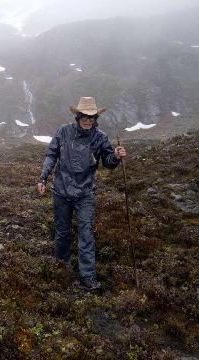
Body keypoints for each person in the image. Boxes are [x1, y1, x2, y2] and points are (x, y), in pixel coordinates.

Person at [37, 97, 126, 291]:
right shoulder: (63, 131)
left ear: (96, 118)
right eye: (84, 116)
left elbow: (108, 162)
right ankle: (62, 266)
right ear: (77, 116)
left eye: (92, 117)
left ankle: (88, 277)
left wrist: (116, 157)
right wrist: (43, 178)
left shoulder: (100, 137)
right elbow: (51, 154)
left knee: (86, 234)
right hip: (61, 191)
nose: (88, 120)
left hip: (85, 192)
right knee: (62, 232)